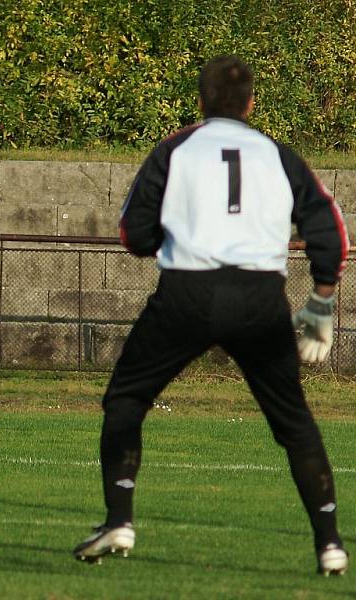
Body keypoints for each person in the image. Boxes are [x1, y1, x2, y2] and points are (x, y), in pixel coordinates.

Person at [72, 56, 349, 575]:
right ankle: (330, 541)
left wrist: (172, 242)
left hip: (186, 294)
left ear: (200, 101)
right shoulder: (278, 154)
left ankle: (119, 518)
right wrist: (322, 298)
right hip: (259, 296)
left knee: (127, 399)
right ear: (251, 104)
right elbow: (328, 225)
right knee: (294, 422)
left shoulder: (175, 149)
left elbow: (133, 232)